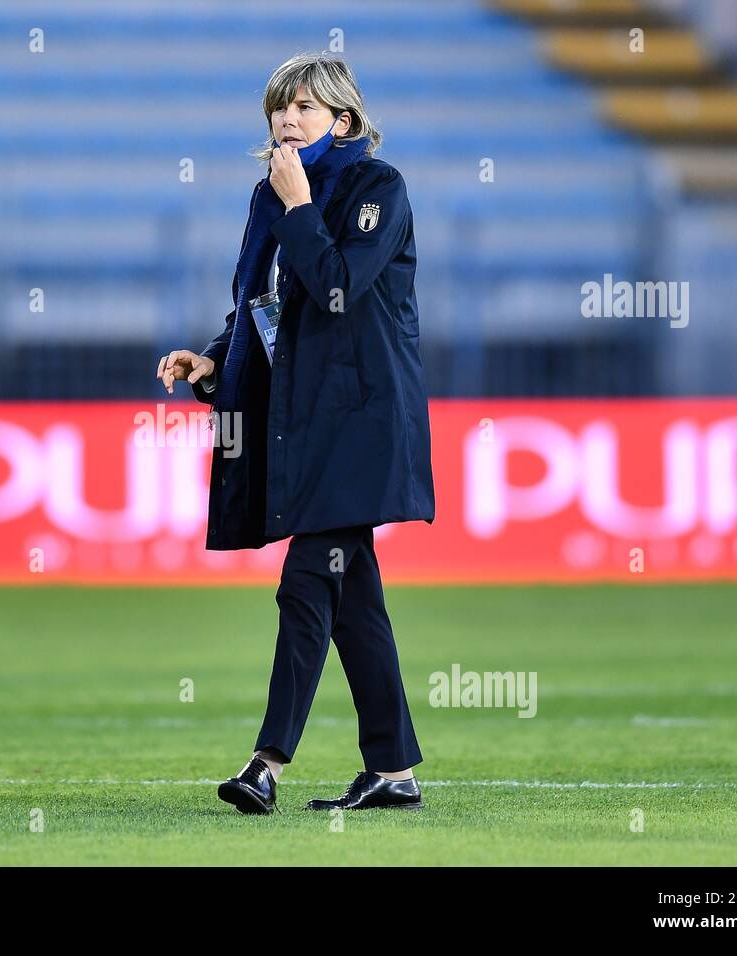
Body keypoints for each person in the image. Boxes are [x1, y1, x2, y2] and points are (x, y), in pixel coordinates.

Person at [156, 52, 436, 814]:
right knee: (354, 599)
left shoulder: (379, 188)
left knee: (308, 583)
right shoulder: (267, 197)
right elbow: (259, 303)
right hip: (300, 421)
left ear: (342, 120)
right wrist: (211, 361)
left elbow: (338, 289)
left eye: (305, 107)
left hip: (359, 420)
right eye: (280, 106)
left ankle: (266, 762)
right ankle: (393, 768)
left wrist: (302, 205)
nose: (287, 118)